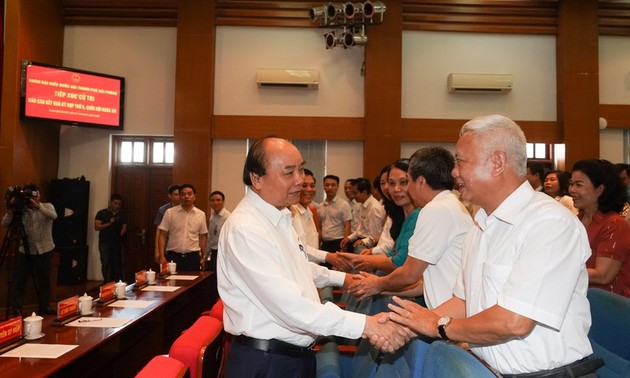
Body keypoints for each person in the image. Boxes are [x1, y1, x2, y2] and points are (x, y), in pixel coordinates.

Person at [387, 115, 597, 376]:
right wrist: (408, 326)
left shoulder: (549, 223)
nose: (454, 172)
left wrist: (439, 325)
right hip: (487, 369)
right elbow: (465, 301)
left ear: (497, 163)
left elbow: (513, 322)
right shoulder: (481, 224)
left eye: (461, 161)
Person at [216, 136, 411, 378]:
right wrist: (366, 325)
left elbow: (298, 268)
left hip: (293, 357)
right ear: (256, 179)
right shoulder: (247, 228)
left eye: (300, 169)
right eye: (289, 173)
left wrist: (343, 280)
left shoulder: (279, 217)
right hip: (267, 362)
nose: (300, 180)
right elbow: (289, 307)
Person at [348, 148, 474, 311]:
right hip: (446, 310)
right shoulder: (448, 204)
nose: (405, 189)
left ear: (420, 182)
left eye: (407, 181)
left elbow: (409, 273)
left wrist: (378, 284)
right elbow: (424, 283)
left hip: (447, 316)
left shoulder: (436, 209)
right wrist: (376, 287)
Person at [570, 159, 630, 297]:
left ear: (600, 189)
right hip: (580, 299)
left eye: (578, 185)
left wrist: (559, 270)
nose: (572, 190)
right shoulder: (576, 221)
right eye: (571, 184)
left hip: (608, 305)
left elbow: (603, 275)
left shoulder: (614, 224)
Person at [2, 184, 57, 316]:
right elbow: (4, 223)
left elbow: (54, 216)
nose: (34, 200)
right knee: (19, 280)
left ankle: (45, 306)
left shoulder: (47, 206)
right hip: (26, 251)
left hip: (45, 249)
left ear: (39, 196)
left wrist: (39, 207)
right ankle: (17, 309)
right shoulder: (22, 210)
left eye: (36, 196)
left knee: (44, 280)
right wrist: (11, 209)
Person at [157, 184, 208, 271]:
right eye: (183, 194)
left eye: (189, 194)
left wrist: (204, 256)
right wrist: (161, 256)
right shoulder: (170, 213)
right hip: (173, 257)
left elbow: (202, 236)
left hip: (193, 257)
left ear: (194, 196)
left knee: (193, 283)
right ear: (179, 197)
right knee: (172, 283)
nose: (186, 196)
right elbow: (162, 235)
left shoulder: (201, 214)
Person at [341, 178, 385, 253]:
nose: (353, 196)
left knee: (358, 249)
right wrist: (349, 238)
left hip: (370, 244)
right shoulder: (362, 205)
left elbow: (375, 236)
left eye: (355, 193)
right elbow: (360, 230)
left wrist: (363, 241)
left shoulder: (374, 207)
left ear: (364, 192)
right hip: (360, 239)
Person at [94, 193, 127, 282]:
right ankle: (107, 282)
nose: (117, 206)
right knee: (106, 263)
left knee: (118, 263)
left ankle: (118, 282)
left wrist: (120, 234)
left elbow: (124, 227)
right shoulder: (102, 213)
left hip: (117, 242)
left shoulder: (121, 214)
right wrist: (109, 223)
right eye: (115, 203)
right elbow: (96, 227)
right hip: (104, 242)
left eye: (119, 204)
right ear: (110, 202)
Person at [318, 175, 352, 252]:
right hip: (325, 244)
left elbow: (347, 226)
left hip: (338, 243)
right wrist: (318, 244)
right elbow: (320, 228)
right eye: (327, 185)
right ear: (323, 186)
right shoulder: (320, 206)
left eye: (333, 185)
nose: (330, 188)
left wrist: (344, 247)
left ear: (337, 186)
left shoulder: (344, 205)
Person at [153, 184, 180, 263]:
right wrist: (157, 250)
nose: (178, 197)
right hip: (165, 246)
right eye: (176, 194)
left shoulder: (184, 209)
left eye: (179, 194)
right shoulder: (163, 210)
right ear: (169, 195)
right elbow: (158, 231)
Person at [206, 190, 230, 272]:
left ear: (223, 201)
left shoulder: (228, 217)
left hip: (224, 253)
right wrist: (206, 254)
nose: (215, 203)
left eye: (218, 200)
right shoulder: (212, 216)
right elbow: (210, 237)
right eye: (212, 200)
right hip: (214, 253)